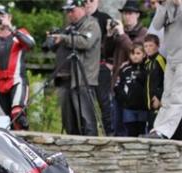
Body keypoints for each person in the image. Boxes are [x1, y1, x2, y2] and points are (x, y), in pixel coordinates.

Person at [50, 0, 101, 136]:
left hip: (83, 78)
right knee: (69, 120)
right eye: (67, 11)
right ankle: (74, 149)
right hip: (66, 78)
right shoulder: (69, 27)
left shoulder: (91, 24)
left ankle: (92, 150)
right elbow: (57, 47)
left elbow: (86, 43)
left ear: (83, 8)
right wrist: (53, 40)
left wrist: (63, 38)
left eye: (72, 10)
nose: (69, 14)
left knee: (86, 118)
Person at [105, 0, 147, 136]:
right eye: (124, 13)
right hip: (118, 83)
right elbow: (106, 52)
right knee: (116, 123)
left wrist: (122, 35)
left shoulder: (143, 32)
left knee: (130, 127)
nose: (127, 16)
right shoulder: (119, 32)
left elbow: (135, 52)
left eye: (130, 13)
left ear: (137, 15)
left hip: (135, 87)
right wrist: (110, 35)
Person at [148, 0, 182, 139]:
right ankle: (157, 129)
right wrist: (161, 5)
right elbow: (156, 25)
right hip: (171, 57)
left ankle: (165, 132)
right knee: (166, 96)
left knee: (178, 97)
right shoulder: (166, 4)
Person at [86, 0, 114, 135]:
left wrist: (110, 62)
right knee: (86, 104)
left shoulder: (105, 18)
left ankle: (109, 133)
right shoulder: (80, 20)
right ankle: (90, 134)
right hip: (85, 68)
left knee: (104, 103)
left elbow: (114, 44)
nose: (88, 3)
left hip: (101, 66)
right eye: (86, 1)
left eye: (92, 0)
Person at [114, 43, 149, 136]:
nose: (135, 56)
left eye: (138, 53)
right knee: (130, 132)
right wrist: (124, 99)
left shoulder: (147, 68)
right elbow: (118, 85)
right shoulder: (125, 69)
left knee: (142, 132)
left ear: (144, 54)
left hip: (143, 108)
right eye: (133, 54)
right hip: (128, 108)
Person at [143, 34, 166, 130]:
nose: (148, 49)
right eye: (146, 46)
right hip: (149, 102)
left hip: (157, 101)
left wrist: (159, 96)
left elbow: (166, 80)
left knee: (156, 127)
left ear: (157, 46)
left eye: (151, 46)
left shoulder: (160, 60)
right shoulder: (147, 62)